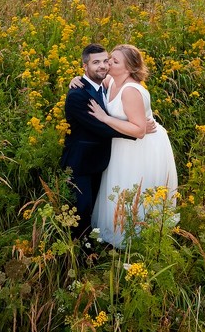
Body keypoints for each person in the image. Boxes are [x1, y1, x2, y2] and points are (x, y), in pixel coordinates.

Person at [60, 43, 156, 242]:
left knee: (100, 207)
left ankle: (100, 246)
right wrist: (138, 131)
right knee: (82, 210)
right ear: (85, 66)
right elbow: (100, 127)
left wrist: (137, 127)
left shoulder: (108, 83)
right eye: (96, 63)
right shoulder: (78, 95)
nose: (104, 66)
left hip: (103, 161)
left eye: (107, 60)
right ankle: (78, 255)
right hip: (81, 163)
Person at [86, 44, 178, 249]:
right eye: (110, 58)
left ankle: (139, 242)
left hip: (140, 147)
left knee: (133, 190)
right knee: (120, 188)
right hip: (124, 145)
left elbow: (139, 130)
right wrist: (77, 79)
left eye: (114, 61)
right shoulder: (113, 81)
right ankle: (119, 238)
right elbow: (94, 77)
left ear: (129, 69)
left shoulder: (130, 91)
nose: (108, 63)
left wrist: (104, 118)